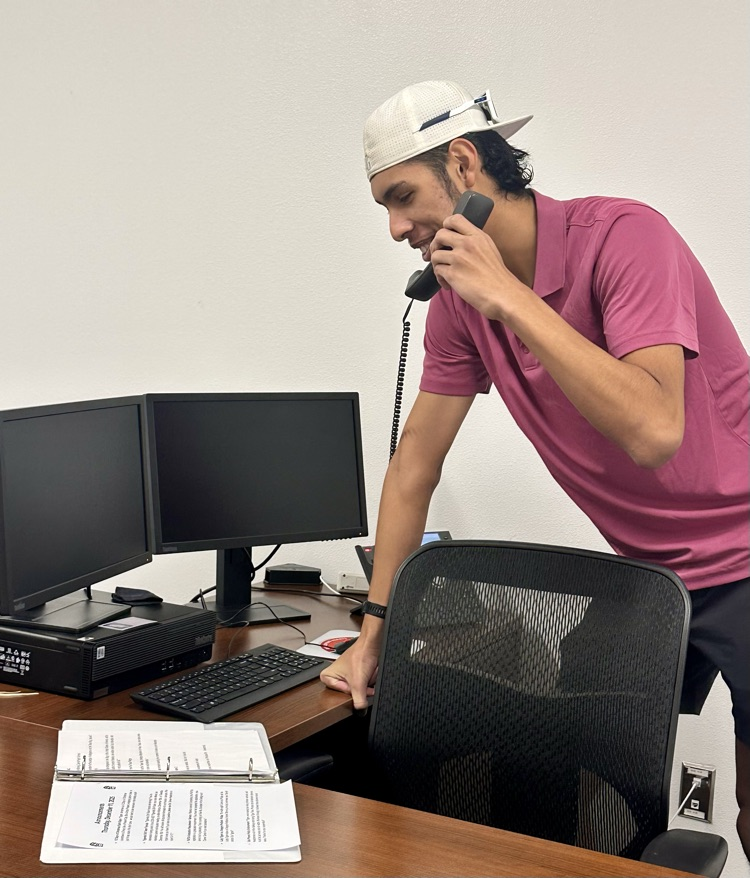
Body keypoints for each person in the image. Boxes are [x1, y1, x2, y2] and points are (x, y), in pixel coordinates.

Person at [319, 79, 750, 856]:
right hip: (653, 575)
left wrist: (509, 298)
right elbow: (414, 465)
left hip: (745, 551)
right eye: (383, 207)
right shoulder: (458, 306)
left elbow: (654, 431)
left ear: (463, 163)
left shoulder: (626, 237)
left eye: (402, 197)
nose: (395, 228)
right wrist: (375, 631)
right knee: (563, 770)